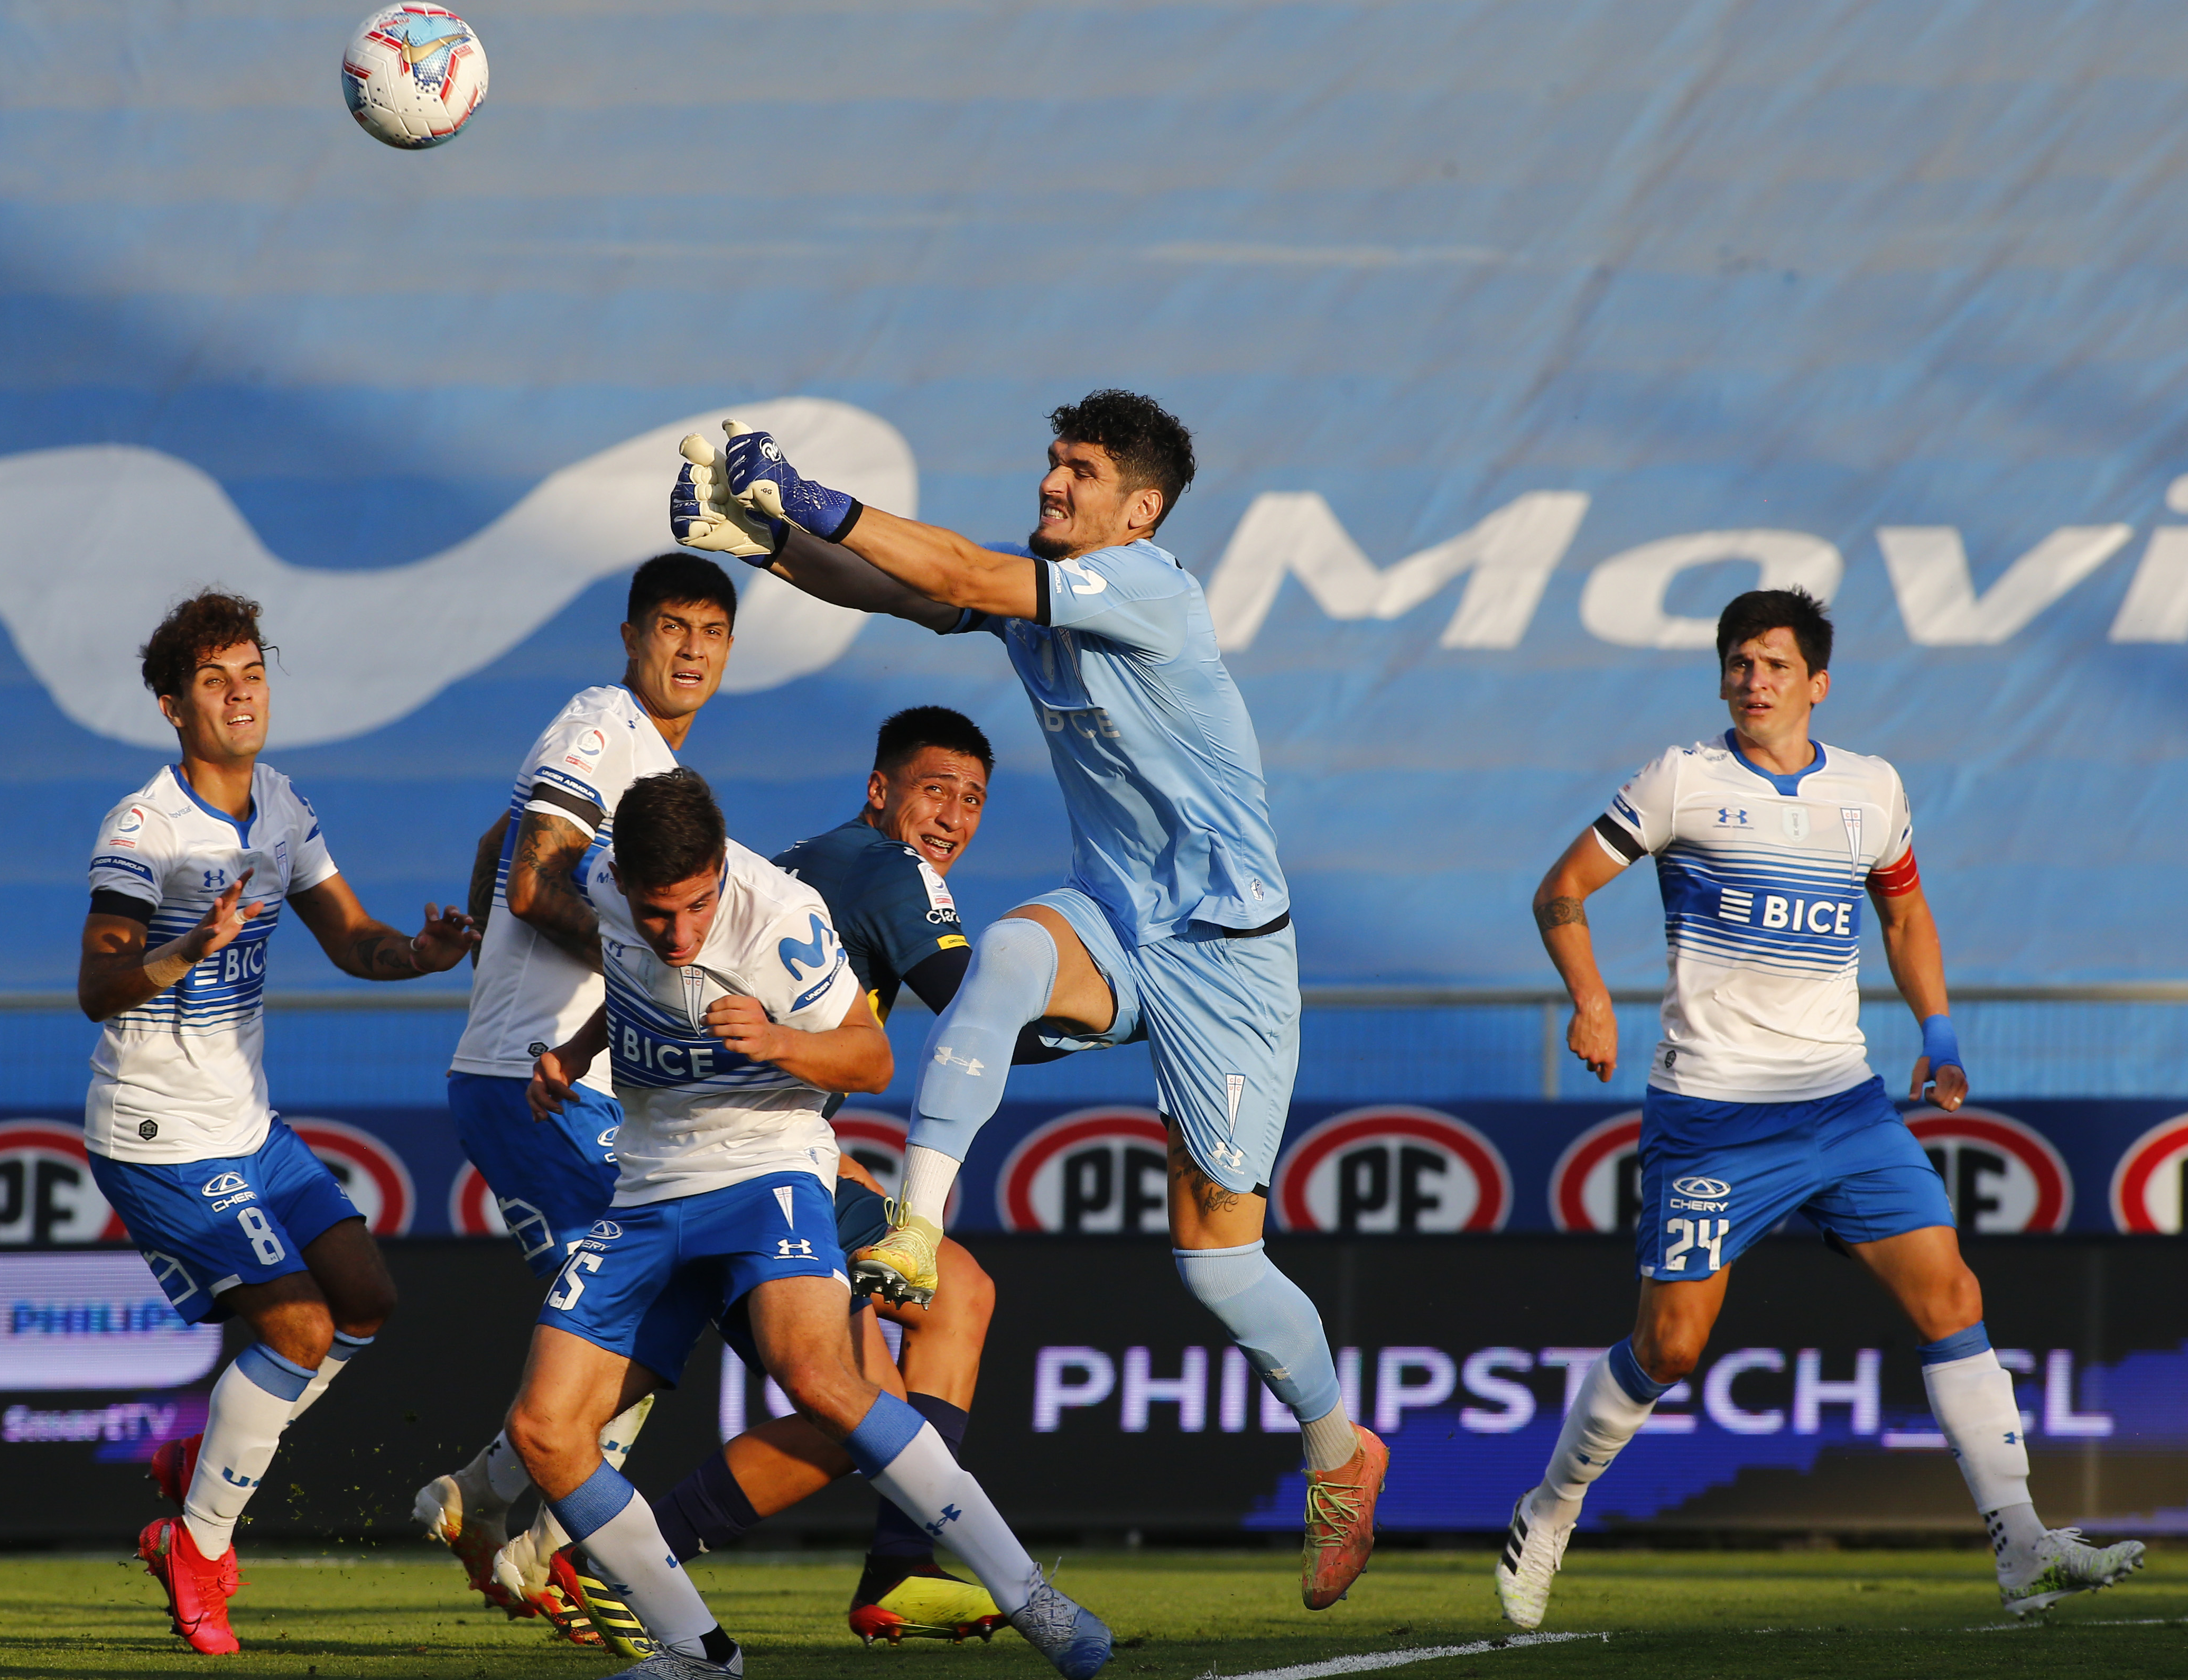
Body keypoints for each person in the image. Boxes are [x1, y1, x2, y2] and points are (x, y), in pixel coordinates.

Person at [672, 391, 1385, 1609]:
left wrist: (801, 492)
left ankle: (1339, 1449)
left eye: (1082, 470)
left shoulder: (1151, 588)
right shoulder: (1035, 600)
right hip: (1113, 919)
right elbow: (899, 589)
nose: (1053, 483)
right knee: (1003, 949)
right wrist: (773, 546)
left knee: (1218, 1268)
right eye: (1052, 461)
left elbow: (950, 563)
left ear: (1138, 509)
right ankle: (916, 1222)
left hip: (1226, 958)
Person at [1494, 587, 2147, 1628]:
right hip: (1710, 1113)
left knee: (1951, 1298)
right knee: (1667, 1348)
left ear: (1816, 684)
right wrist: (1586, 1000)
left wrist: (1937, 1037)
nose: (1753, 681)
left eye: (1774, 665)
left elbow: (1903, 913)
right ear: (1720, 676)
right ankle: (1549, 1508)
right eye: (1738, 664)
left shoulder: (1868, 790)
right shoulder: (1681, 782)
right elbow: (1558, 891)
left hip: (1843, 1107)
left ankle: (2021, 1546)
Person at [508, 768, 1111, 1680]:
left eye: (697, 907)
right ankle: (699, 1653)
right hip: (645, 1190)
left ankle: (1032, 1597)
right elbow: (634, 985)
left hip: (767, 1168)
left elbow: (869, 1058)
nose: (679, 933)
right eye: (658, 912)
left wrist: (780, 1039)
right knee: (543, 1432)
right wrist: (576, 1053)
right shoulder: (602, 879)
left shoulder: (781, 919)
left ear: (722, 866)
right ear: (624, 882)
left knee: (818, 1374)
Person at [75, 591, 478, 1655]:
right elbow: (98, 983)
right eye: (213, 680)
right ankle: (195, 1542)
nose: (240, 692)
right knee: (296, 1330)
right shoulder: (142, 828)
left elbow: (352, 940)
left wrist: (419, 956)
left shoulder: (284, 806)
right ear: (172, 706)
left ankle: (205, 1461)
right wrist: (187, 949)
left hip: (245, 1124)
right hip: (158, 1130)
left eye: (250, 672)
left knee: (365, 1300)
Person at [653, 706, 1035, 1643]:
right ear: (881, 792)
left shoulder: (818, 860)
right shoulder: (888, 868)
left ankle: (901, 1571)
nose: (951, 817)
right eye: (934, 791)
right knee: (859, 1417)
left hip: (760, 1148)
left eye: (973, 800)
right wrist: (1125, 1007)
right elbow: (974, 1007)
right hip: (731, 1168)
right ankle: (617, 1565)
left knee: (954, 1300)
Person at [411, 554, 737, 1635]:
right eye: (673, 626)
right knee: (636, 1311)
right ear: (632, 634)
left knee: (661, 1306)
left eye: (711, 633)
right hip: (539, 1082)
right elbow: (530, 875)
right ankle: (544, 1540)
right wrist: (651, 961)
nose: (691, 649)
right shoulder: (602, 728)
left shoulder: (647, 757)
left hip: (566, 1077)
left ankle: (505, 1512)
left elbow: (490, 848)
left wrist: (486, 967)